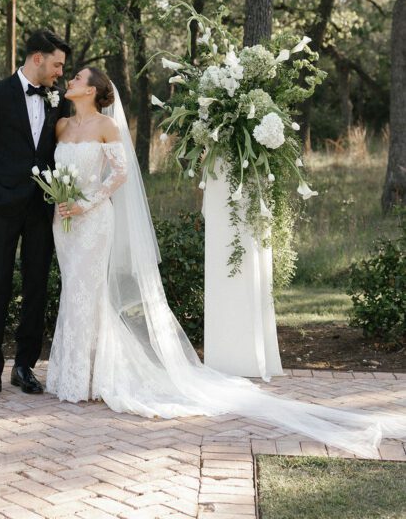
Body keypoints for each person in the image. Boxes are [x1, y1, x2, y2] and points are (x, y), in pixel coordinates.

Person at [46, 66, 406, 458]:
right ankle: (72, 375)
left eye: (78, 77)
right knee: (73, 290)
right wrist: (61, 199)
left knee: (91, 293)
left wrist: (85, 202)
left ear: (95, 90)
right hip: (63, 223)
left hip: (94, 221)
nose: (71, 80)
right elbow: (56, 171)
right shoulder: (62, 126)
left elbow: (120, 174)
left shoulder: (106, 127)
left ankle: (93, 377)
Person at [0, 28, 70, 403]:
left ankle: (24, 366)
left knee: (36, 287)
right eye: (57, 64)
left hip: (42, 209)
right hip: (2, 207)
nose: (60, 71)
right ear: (38, 58)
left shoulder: (59, 101)